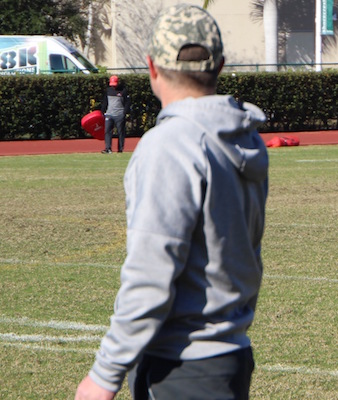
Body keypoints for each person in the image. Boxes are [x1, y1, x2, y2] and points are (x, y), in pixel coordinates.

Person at [75, 4, 269, 400]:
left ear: (151, 66)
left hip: (182, 368)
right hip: (231, 355)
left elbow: (151, 273)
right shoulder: (246, 137)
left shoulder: (170, 145)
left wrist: (104, 375)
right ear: (220, 65)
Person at [100, 75, 131, 153]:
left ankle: (120, 149)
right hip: (109, 114)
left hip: (119, 115)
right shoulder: (108, 90)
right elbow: (105, 101)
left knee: (120, 132)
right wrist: (102, 111)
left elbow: (127, 102)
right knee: (107, 131)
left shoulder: (123, 91)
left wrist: (125, 113)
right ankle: (108, 148)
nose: (113, 87)